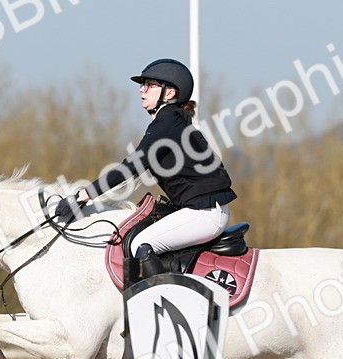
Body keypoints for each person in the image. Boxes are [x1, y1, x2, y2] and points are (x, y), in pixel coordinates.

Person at [57, 58, 236, 278]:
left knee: (141, 244)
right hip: (201, 210)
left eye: (150, 85)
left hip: (205, 213)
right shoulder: (172, 120)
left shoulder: (168, 122)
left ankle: (164, 298)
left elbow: (132, 166)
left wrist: (83, 196)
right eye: (143, 85)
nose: (141, 90)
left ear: (170, 93)